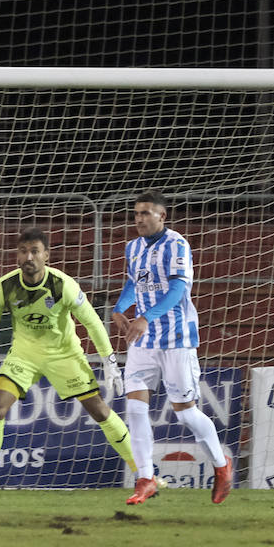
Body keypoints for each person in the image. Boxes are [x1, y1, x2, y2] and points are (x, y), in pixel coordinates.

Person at [0, 227, 133, 489]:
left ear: (46, 256)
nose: (28, 257)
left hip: (64, 354)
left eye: (34, 251)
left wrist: (109, 361)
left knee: (99, 411)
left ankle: (143, 473)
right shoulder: (5, 287)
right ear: (16, 255)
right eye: (23, 251)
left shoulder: (63, 284)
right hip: (24, 355)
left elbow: (93, 322)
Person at [112, 190, 233, 506]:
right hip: (144, 343)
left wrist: (145, 317)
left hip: (177, 340)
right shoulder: (133, 247)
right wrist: (119, 309)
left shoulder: (177, 244)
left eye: (146, 213)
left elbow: (179, 288)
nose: (139, 219)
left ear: (161, 216)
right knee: (135, 409)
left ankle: (222, 466)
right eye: (136, 213)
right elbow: (132, 284)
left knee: (186, 415)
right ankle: (145, 478)